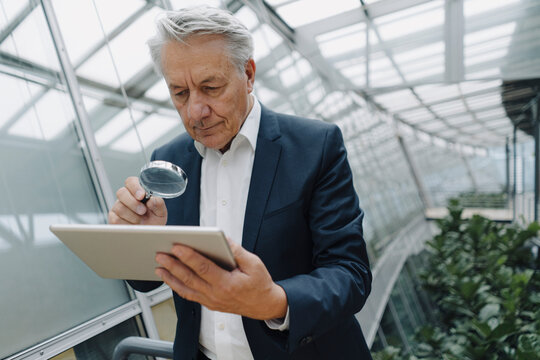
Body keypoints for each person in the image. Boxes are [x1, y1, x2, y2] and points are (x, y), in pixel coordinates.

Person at [108, 6, 372, 360]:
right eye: (180, 93)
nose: (195, 112)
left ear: (248, 74)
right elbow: (149, 280)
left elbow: (350, 273)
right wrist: (138, 241)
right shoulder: (169, 159)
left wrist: (275, 301)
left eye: (210, 87)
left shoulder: (315, 146)